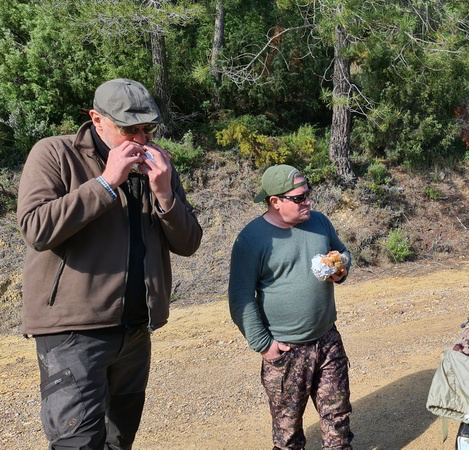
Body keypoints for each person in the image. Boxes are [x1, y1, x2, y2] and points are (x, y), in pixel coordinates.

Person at [16, 78, 203, 449]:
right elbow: (36, 229)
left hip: (135, 330)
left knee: (119, 441)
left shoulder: (158, 164)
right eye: (129, 128)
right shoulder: (54, 153)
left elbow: (188, 242)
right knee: (78, 442)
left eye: (148, 128)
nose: (141, 138)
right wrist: (106, 183)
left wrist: (165, 194)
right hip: (73, 333)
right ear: (96, 119)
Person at [228, 164, 354, 450]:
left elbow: (342, 253)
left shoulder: (319, 222)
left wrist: (340, 268)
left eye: (307, 195)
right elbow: (240, 297)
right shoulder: (252, 239)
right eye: (299, 198)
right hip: (286, 351)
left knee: (338, 421)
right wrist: (264, 344)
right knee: (288, 435)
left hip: (327, 340)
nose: (307, 202)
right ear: (275, 201)